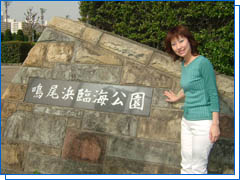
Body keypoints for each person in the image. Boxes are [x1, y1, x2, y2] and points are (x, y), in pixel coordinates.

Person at [163, 25, 220, 174]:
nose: (178, 47)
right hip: (187, 120)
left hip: (203, 122)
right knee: (186, 165)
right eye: (174, 44)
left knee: (198, 168)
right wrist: (177, 96)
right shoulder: (184, 64)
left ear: (189, 40)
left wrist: (215, 124)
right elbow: (190, 86)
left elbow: (213, 93)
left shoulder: (203, 63)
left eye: (181, 41)